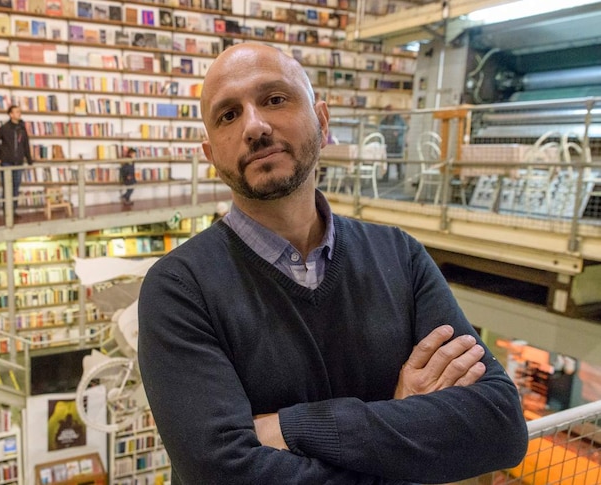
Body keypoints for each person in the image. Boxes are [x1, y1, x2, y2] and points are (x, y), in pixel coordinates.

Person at [137, 43, 527, 484]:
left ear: (322, 121)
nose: (255, 126)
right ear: (211, 155)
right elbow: (220, 474)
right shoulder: (178, 289)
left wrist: (288, 427)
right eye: (228, 115)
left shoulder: (400, 255)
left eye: (275, 99)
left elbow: (499, 426)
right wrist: (400, 424)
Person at [0, 105, 33, 215]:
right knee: (7, 187)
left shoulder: (22, 128)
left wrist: (29, 159)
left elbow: (25, 144)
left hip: (18, 162)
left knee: (15, 188)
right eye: (17, 112)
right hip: (7, 162)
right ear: (11, 114)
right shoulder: (4, 128)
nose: (19, 113)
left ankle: (13, 211)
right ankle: (7, 212)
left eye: (20, 111)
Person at [379, 105, 407, 181]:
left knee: (398, 160)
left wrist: (398, 132)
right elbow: (380, 128)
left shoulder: (399, 119)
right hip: (387, 142)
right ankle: (385, 177)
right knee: (386, 159)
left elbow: (405, 127)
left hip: (397, 143)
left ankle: (400, 177)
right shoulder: (384, 121)